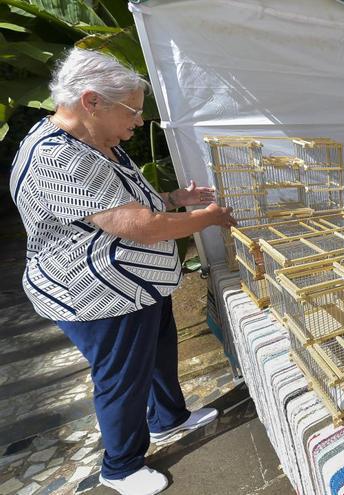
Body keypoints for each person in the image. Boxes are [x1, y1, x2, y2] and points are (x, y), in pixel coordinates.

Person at [9, 48, 236, 495]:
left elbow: (125, 201)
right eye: (132, 111)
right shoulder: (59, 157)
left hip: (137, 284)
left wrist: (174, 199)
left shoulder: (94, 141)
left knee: (157, 353)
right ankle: (121, 466)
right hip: (97, 291)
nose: (137, 122)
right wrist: (208, 216)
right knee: (120, 379)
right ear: (92, 101)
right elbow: (137, 226)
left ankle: (169, 418)